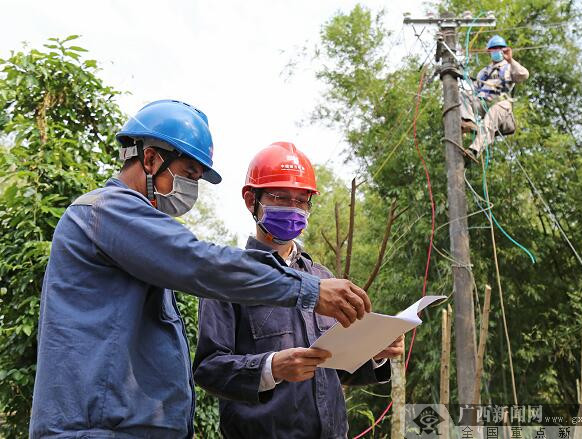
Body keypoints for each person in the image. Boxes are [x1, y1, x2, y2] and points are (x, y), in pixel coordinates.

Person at [29, 101, 372, 439]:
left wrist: (371, 348)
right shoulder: (107, 213)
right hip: (97, 429)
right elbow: (201, 264)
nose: (192, 189)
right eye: (189, 174)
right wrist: (308, 293)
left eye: (301, 200)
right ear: (150, 159)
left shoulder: (135, 237)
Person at [193, 142, 405, 439]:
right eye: (281, 197)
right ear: (250, 199)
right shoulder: (227, 279)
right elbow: (208, 369)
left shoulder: (322, 278)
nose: (293, 209)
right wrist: (271, 368)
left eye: (302, 200)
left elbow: (337, 369)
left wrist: (373, 354)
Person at [460, 35, 529, 161]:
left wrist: (510, 60)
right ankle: (468, 122)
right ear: (489, 52)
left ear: (504, 50)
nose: (497, 51)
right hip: (483, 103)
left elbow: (524, 75)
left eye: (500, 49)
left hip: (501, 104)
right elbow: (474, 91)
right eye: (494, 49)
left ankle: (474, 150)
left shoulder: (509, 67)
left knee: (491, 118)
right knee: (462, 95)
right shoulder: (483, 72)